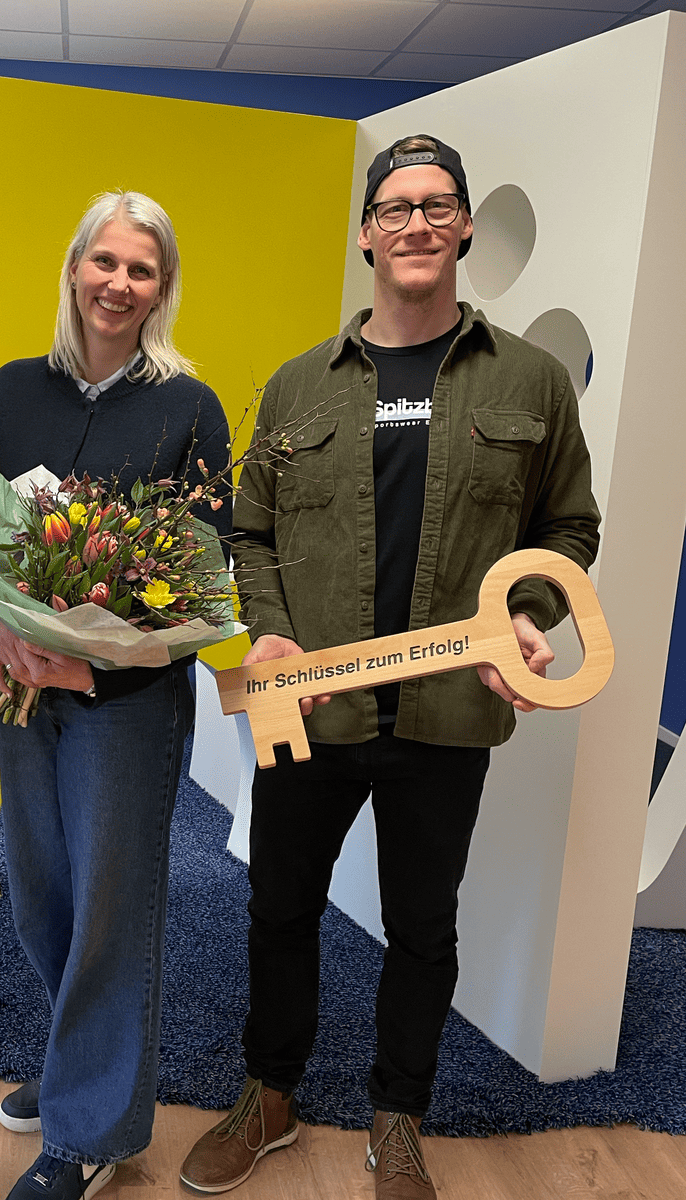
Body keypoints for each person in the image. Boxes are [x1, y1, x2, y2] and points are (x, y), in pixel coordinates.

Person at [179, 135, 601, 1199]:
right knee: (279, 906)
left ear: (465, 227)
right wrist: (267, 631)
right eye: (396, 207)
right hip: (310, 709)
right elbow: (250, 534)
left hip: (450, 710)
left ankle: (398, 1118)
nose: (417, 223)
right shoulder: (296, 388)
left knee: (423, 926)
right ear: (367, 233)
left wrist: (527, 616)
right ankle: (270, 1095)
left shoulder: (533, 381)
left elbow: (567, 528)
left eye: (437, 205)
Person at [0, 191, 232, 1200]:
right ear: (73, 268)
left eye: (141, 269)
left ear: (162, 288)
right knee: (38, 887)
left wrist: (97, 660)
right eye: (104, 261)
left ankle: (90, 1131)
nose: (119, 283)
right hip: (21, 685)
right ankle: (85, 1064)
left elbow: (201, 573)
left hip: (127, 706)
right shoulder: (12, 390)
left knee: (112, 903)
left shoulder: (188, 408)